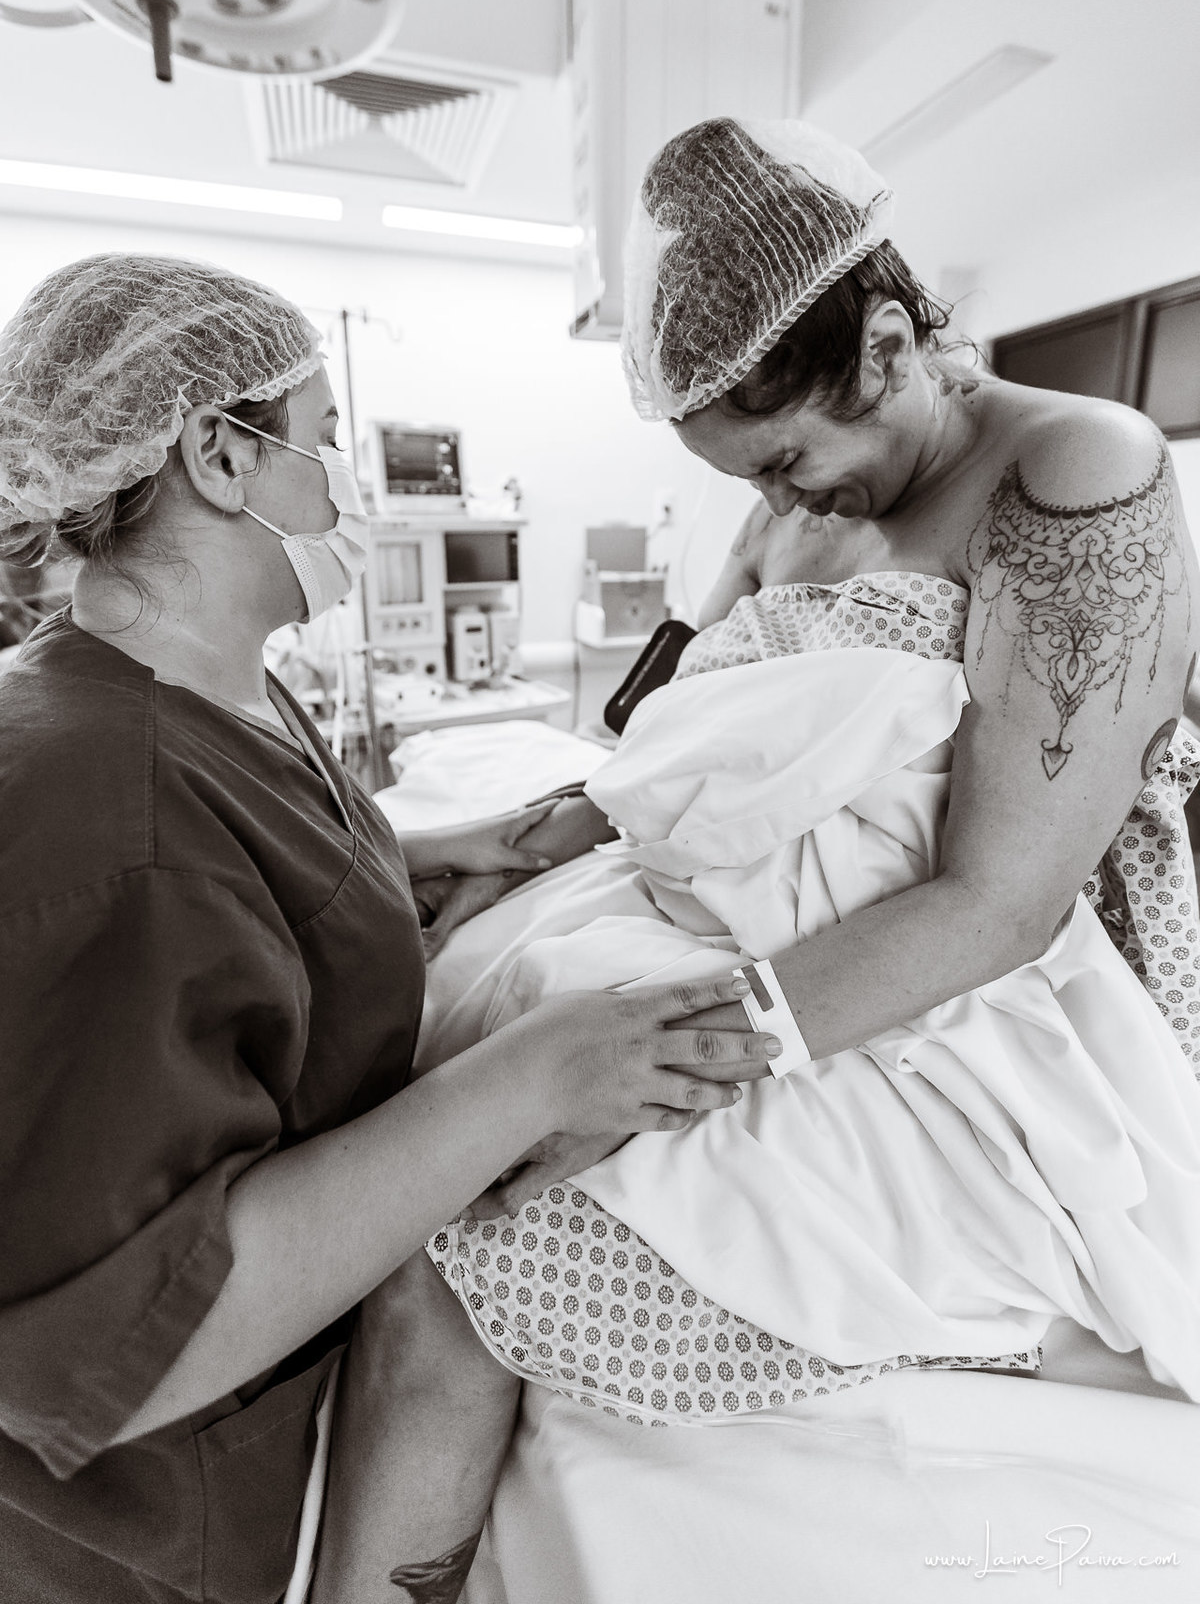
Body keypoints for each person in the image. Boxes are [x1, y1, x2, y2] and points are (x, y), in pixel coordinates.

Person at [335, 118, 1200, 1601]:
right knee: (422, 1112)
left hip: (949, 1013)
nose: (785, 510)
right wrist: (509, 853)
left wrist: (654, 1072)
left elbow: (998, 899)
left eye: (793, 463)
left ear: (885, 343)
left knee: (460, 1258)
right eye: (758, 480)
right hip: (760, 941)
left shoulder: (1076, 472)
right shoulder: (796, 509)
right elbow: (677, 744)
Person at [0, 253, 778, 1604]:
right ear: (221, 455)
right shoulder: (104, 819)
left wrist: (405, 862)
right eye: (327, 442)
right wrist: (536, 1070)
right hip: (153, 1531)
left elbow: (245, 894)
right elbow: (122, 1352)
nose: (347, 484)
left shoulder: (207, 691)